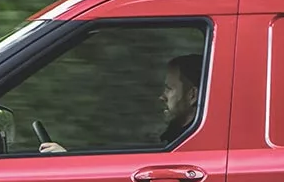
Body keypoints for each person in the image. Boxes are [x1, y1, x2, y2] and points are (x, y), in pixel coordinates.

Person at [38, 53, 201, 154]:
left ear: (192, 95)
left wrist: (68, 164)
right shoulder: (173, 138)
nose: (162, 97)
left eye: (169, 89)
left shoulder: (190, 148)